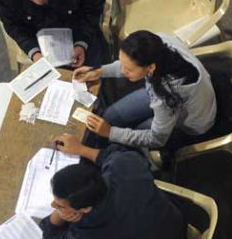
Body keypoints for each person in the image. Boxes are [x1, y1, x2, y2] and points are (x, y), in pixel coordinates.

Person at [40, 139, 188, 239]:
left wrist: (57, 216)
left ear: (85, 208)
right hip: (176, 224)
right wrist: (82, 150)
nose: (53, 205)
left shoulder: (85, 238)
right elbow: (112, 153)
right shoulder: (125, 164)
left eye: (59, 205)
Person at [73, 30, 217, 151]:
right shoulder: (158, 44)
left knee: (136, 132)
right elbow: (130, 65)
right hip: (173, 95)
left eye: (128, 70)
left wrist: (110, 132)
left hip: (192, 122)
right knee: (110, 116)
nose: (122, 71)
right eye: (121, 62)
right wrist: (99, 72)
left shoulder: (166, 97)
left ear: (151, 68)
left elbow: (156, 139)